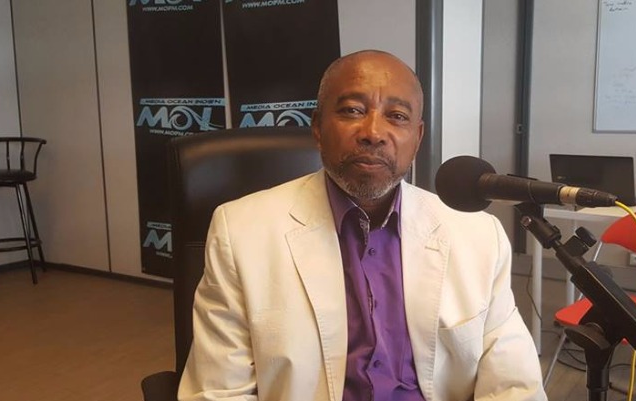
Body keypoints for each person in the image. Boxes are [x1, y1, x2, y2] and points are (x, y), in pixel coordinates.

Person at [178, 50, 546, 401]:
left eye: (397, 116)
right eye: (353, 110)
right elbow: (218, 391)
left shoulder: (477, 235)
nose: (373, 132)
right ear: (318, 128)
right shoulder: (242, 231)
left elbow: (514, 383)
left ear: (417, 138)